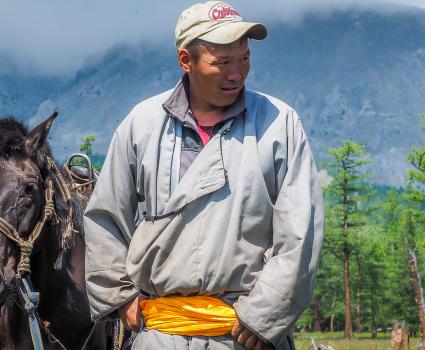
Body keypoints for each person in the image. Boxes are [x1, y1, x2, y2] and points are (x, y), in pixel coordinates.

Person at [83, 1, 324, 349]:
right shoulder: (143, 123)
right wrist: (120, 297)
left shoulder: (279, 123)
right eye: (222, 62)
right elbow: (106, 216)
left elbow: (301, 231)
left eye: (244, 58)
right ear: (186, 60)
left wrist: (264, 316)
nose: (236, 73)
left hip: (246, 334)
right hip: (161, 334)